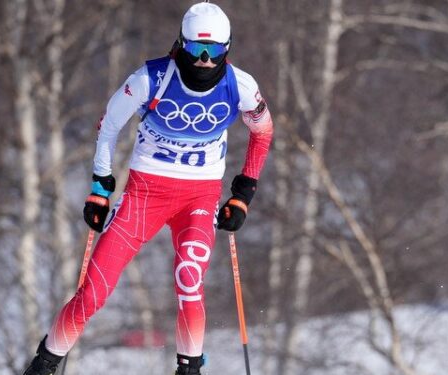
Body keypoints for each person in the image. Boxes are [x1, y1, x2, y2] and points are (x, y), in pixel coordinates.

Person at [22, 2, 273, 374]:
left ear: (227, 49)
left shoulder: (241, 86)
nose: (204, 60)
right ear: (181, 44)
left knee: (189, 277)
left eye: (214, 52)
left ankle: (189, 369)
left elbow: (263, 132)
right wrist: (100, 186)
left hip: (199, 198)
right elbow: (108, 126)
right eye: (196, 51)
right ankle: (43, 364)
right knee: (93, 293)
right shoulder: (150, 78)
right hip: (144, 195)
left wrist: (242, 193)